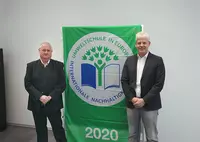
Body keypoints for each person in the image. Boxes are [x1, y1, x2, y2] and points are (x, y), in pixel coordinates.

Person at [121, 32, 165, 142]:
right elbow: (124, 81)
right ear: (135, 44)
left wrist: (144, 100)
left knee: (151, 137)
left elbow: (159, 84)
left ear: (149, 44)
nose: (141, 45)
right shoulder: (129, 60)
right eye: (139, 42)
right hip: (132, 104)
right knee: (132, 136)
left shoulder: (157, 61)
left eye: (144, 42)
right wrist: (132, 98)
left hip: (150, 105)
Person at [24, 42, 67, 142]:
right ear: (39, 51)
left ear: (51, 52)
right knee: (40, 131)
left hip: (53, 104)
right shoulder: (31, 66)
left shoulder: (59, 66)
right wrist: (40, 97)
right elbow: (28, 84)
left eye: (48, 50)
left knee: (58, 130)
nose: (46, 52)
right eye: (44, 50)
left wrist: (50, 97)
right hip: (37, 104)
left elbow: (62, 85)